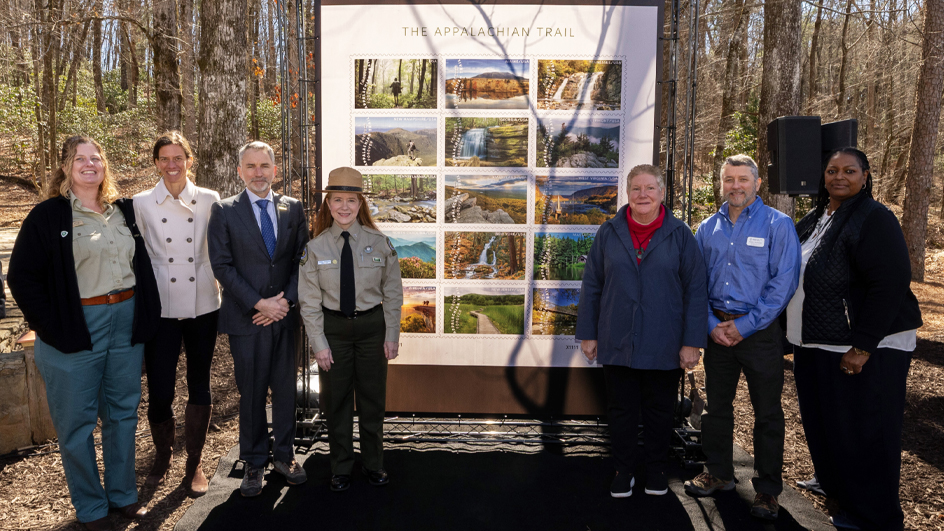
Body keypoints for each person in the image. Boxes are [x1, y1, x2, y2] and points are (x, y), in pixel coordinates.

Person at [7, 136, 160, 531]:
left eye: (96, 158)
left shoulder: (121, 211)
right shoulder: (48, 216)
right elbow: (22, 278)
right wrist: (51, 326)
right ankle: (91, 508)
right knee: (76, 425)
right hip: (74, 330)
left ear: (104, 165)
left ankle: (123, 496)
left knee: (123, 414)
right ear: (65, 167)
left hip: (125, 322)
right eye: (80, 159)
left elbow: (142, 266)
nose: (89, 164)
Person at [787, 148, 921, 531]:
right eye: (831, 170)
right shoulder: (817, 217)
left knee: (866, 431)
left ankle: (873, 515)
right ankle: (837, 489)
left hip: (864, 347)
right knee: (828, 424)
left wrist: (862, 346)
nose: (838, 177)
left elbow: (890, 284)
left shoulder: (875, 218)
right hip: (814, 341)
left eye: (849, 171)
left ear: (865, 176)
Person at [576, 164, 707, 498]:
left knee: (659, 411)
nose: (643, 195)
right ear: (628, 193)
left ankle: (656, 469)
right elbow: (592, 285)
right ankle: (623, 470)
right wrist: (588, 334)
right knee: (620, 411)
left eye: (650, 188)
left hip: (664, 341)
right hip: (616, 338)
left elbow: (696, 292)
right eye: (636, 188)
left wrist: (692, 343)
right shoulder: (608, 232)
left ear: (662, 193)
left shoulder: (680, 235)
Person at [684, 154, 801, 520]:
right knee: (717, 409)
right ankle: (719, 473)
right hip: (718, 332)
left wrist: (746, 325)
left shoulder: (778, 225)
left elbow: (784, 283)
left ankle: (767, 491)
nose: (736, 186)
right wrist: (710, 324)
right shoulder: (707, 228)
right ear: (722, 183)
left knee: (768, 414)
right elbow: (695, 282)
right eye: (729, 179)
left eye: (742, 180)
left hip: (760, 335)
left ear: (757, 184)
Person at [207, 141, 309, 497]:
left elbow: (302, 258)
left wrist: (285, 302)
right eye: (250, 166)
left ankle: (284, 456)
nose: (258, 173)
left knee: (284, 391)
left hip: (284, 317)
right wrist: (258, 304)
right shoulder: (223, 211)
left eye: (264, 165)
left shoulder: (293, 209)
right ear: (239, 171)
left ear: (275, 170)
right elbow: (222, 265)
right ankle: (253, 461)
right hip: (246, 320)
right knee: (251, 392)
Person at [298, 167, 403, 492]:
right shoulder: (315, 249)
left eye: (351, 201)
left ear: (361, 205)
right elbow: (309, 302)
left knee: (373, 401)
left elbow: (393, 292)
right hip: (334, 332)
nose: (344, 207)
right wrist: (319, 344)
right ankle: (341, 466)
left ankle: (374, 464)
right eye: (338, 200)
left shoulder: (380, 243)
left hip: (372, 329)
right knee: (336, 402)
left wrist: (391, 335)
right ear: (328, 204)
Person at [132, 131, 221, 496]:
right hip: (162, 305)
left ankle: (194, 461)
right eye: (164, 159)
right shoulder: (139, 203)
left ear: (189, 161)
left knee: (199, 382)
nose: (172, 165)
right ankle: (163, 455)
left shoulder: (210, 200)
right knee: (160, 388)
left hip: (202, 301)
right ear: (155, 163)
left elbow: (221, 250)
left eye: (178, 158)